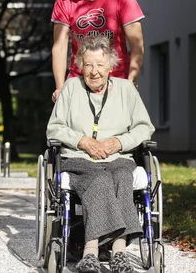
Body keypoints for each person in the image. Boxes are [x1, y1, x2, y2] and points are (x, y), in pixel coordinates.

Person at [46, 34, 154, 273]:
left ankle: (118, 253)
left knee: (122, 177)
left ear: (111, 66)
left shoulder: (126, 89)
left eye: (100, 65)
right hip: (79, 159)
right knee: (101, 179)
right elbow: (54, 127)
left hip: (118, 158)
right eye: (88, 65)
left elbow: (144, 127)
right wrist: (82, 140)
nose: (94, 71)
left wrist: (119, 141)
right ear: (80, 66)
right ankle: (91, 252)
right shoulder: (71, 87)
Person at [51, 0, 145, 103]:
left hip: (116, 82)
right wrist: (60, 88)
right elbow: (59, 47)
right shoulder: (64, 0)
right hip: (79, 83)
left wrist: (131, 81)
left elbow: (137, 44)